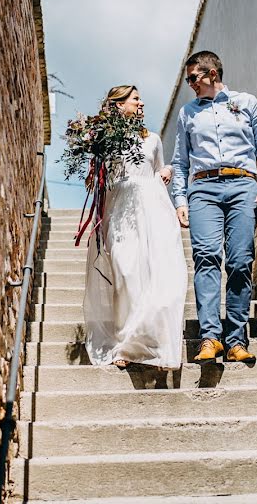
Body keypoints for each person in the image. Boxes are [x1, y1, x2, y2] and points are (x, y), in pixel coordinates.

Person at [170, 51, 257, 363]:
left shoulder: (246, 103)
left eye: (193, 78)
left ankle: (235, 341)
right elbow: (180, 162)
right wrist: (180, 200)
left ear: (212, 74)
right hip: (202, 188)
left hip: (243, 183)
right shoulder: (187, 113)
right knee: (205, 257)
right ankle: (209, 337)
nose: (190, 84)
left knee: (241, 261)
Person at [83, 85, 188, 370]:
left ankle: (148, 344)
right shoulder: (105, 140)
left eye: (140, 98)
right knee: (126, 272)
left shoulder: (152, 139)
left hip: (152, 208)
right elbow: (97, 180)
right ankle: (125, 339)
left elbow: (158, 169)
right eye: (135, 99)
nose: (141, 103)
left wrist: (165, 172)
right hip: (119, 209)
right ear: (119, 105)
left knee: (155, 272)